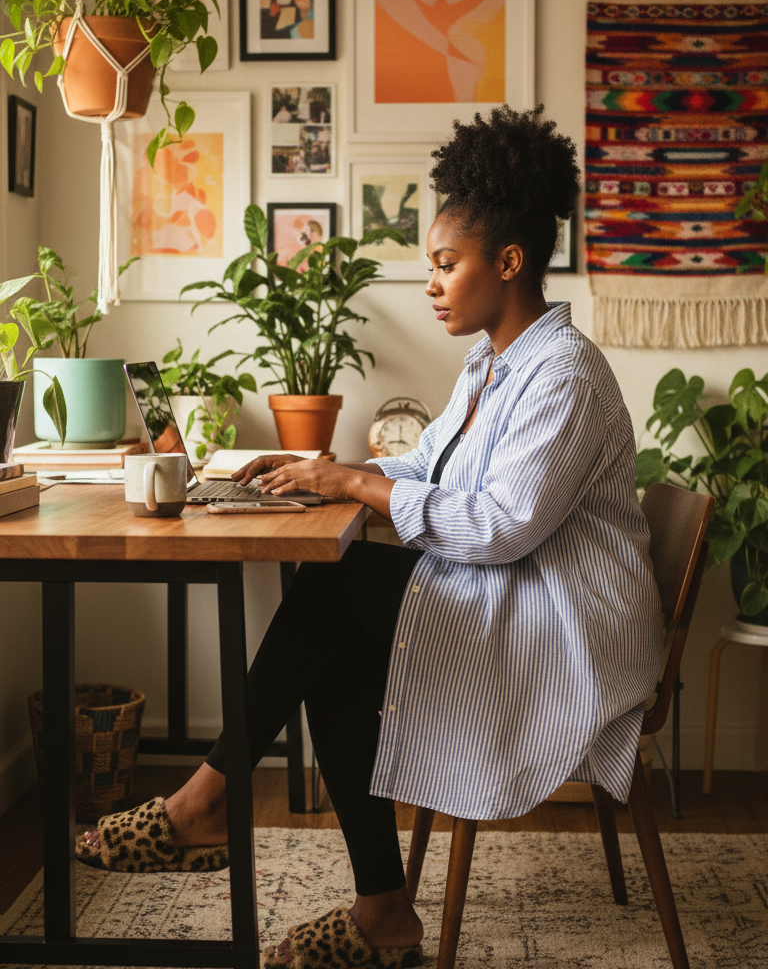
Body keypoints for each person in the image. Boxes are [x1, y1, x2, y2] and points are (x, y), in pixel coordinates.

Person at [76, 106, 663, 969]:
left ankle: (208, 807)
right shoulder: (490, 366)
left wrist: (352, 482)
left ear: (509, 262)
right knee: (336, 629)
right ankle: (377, 908)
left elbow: (502, 527)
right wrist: (321, 466)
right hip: (520, 599)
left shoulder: (562, 373)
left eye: (445, 264)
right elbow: (423, 466)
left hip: (566, 632)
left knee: (335, 594)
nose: (430, 283)